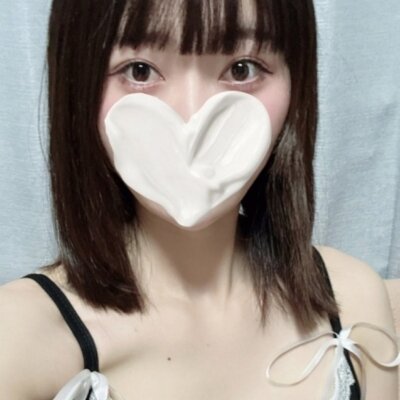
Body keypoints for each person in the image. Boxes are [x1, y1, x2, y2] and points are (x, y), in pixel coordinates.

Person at [0, 0, 398, 399]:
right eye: (139, 71)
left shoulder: (354, 300)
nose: (192, 117)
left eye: (242, 69)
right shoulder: (19, 339)